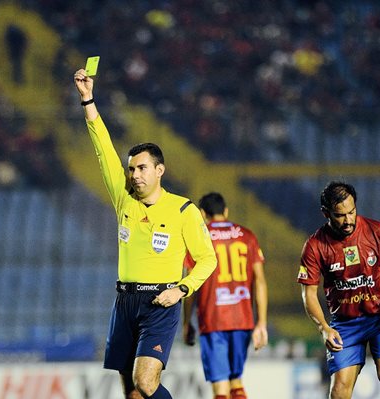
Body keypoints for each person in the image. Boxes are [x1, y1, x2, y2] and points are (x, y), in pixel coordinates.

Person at [74, 68, 218, 399]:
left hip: (160, 301)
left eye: (141, 168)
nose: (134, 175)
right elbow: (103, 149)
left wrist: (181, 289)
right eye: (131, 169)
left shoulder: (183, 210)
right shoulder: (123, 198)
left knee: (146, 383)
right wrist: (87, 100)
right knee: (133, 394)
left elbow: (207, 259)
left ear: (159, 171)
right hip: (125, 301)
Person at [298, 181, 380, 399]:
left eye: (352, 212)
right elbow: (309, 294)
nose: (348, 220)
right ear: (326, 213)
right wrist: (323, 327)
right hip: (345, 324)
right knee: (339, 391)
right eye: (340, 215)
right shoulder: (315, 246)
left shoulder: (378, 231)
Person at [183, 192, 268, 399]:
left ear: (202, 214)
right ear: (226, 211)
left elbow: (190, 286)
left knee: (220, 388)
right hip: (243, 320)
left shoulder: (199, 238)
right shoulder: (247, 236)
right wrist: (261, 323)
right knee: (236, 380)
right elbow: (260, 281)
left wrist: (187, 322)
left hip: (214, 319)